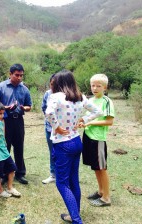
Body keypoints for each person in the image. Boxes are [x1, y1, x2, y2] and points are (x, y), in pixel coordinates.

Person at [45, 70, 103, 224]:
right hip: (77, 142)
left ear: (58, 82)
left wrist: (56, 126)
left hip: (62, 143)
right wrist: (83, 119)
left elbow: (49, 112)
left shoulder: (56, 96)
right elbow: (98, 111)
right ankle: (74, 215)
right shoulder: (80, 97)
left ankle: (77, 219)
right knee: (73, 181)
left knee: (62, 183)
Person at [81, 74, 115, 207]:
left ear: (104, 87)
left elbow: (109, 121)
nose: (95, 88)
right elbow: (88, 116)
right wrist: (83, 121)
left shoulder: (107, 101)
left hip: (98, 139)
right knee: (95, 167)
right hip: (88, 136)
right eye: (93, 85)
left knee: (102, 168)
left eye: (98, 86)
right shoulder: (91, 100)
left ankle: (106, 198)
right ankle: (101, 191)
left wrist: (91, 123)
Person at [0, 63, 32, 185]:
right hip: (5, 120)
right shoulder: (1, 87)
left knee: (19, 147)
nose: (19, 78)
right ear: (10, 74)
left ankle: (20, 173)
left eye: (21, 75)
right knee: (6, 147)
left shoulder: (24, 89)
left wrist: (23, 108)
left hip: (19, 120)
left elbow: (29, 106)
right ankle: (5, 173)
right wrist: (6, 107)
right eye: (17, 75)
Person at [41, 74, 56, 184]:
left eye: (56, 84)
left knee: (63, 152)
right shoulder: (47, 94)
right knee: (52, 152)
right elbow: (44, 108)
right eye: (51, 84)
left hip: (62, 130)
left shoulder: (66, 95)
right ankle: (53, 174)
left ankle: (63, 175)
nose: (53, 87)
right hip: (49, 128)